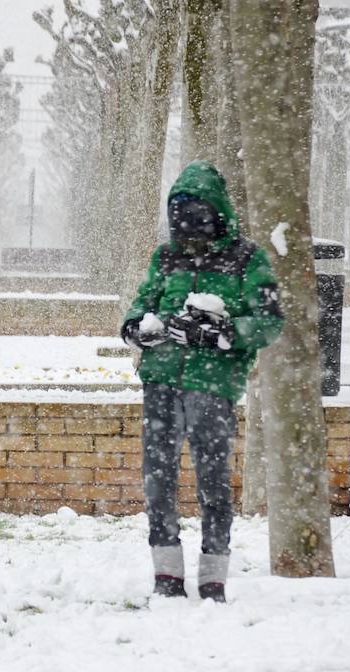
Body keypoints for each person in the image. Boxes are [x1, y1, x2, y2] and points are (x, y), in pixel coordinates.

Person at [120, 160, 284, 603]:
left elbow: (270, 321)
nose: (186, 223)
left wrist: (223, 333)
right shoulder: (165, 256)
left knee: (213, 482)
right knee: (158, 479)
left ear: (217, 212)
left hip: (214, 386)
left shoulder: (248, 259)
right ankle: (167, 576)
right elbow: (140, 304)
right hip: (160, 381)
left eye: (195, 212)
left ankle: (213, 580)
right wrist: (139, 328)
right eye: (178, 212)